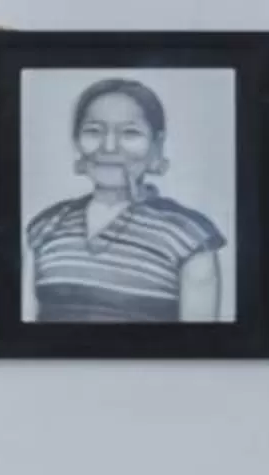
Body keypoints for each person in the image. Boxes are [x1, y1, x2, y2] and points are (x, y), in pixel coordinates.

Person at [24, 78, 228, 322]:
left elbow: (199, 349)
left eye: (130, 133)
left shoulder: (191, 235)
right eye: (93, 131)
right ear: (76, 142)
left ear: (157, 145)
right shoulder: (45, 227)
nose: (109, 147)